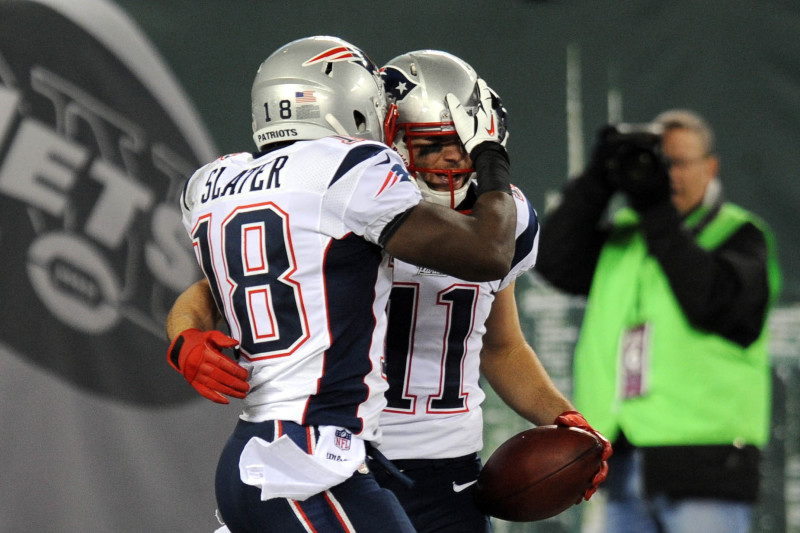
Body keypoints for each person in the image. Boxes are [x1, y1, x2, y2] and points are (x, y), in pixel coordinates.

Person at [166, 35, 518, 533]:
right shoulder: (346, 170)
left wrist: (183, 330)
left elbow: (228, 281)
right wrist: (489, 152)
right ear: (349, 107)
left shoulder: (211, 184)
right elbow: (489, 251)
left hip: (261, 454)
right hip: (306, 461)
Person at [372, 49, 611, 532]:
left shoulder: (506, 221)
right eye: (434, 143)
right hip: (349, 458)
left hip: (449, 468)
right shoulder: (343, 209)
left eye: (465, 143)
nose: (455, 157)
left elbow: (500, 346)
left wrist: (567, 419)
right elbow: (217, 289)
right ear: (391, 142)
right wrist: (189, 333)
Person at [535, 109, 781, 533]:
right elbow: (552, 260)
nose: (667, 176)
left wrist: (654, 207)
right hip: (621, 460)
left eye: (678, 163)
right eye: (658, 164)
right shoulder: (625, 237)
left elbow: (714, 304)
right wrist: (598, 178)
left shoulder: (741, 235)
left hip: (707, 466)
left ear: (711, 166)